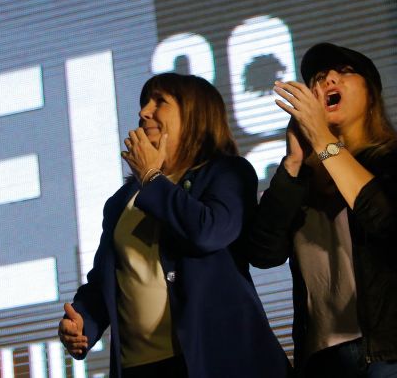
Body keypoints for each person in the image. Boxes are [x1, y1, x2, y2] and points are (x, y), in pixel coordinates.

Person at [59, 72, 289, 378]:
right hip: (140, 367)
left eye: (160, 102)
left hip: (215, 362)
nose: (144, 112)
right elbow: (106, 281)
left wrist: (152, 178)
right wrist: (82, 323)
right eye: (144, 103)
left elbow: (208, 232)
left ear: (194, 114)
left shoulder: (226, 173)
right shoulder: (121, 201)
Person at [248, 43, 397, 377]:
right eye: (318, 76)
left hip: (385, 352)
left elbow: (387, 222)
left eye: (344, 72)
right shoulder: (302, 181)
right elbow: (263, 253)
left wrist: (322, 140)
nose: (329, 78)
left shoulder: (390, 161)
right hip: (322, 357)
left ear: (371, 93)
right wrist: (293, 163)